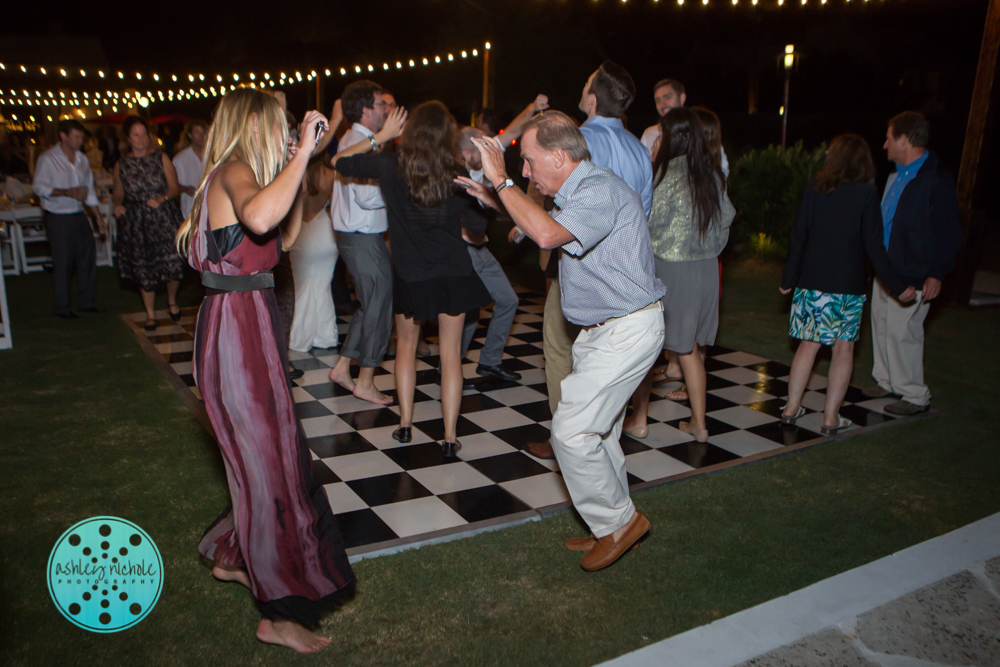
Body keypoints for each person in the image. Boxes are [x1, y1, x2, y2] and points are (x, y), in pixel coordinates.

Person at [176, 88, 353, 653]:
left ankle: (238, 559)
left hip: (246, 322)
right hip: (238, 330)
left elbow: (285, 237)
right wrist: (303, 151)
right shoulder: (232, 173)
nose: (285, 135)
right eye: (279, 127)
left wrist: (300, 163)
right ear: (254, 126)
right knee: (271, 467)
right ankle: (277, 617)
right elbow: (258, 216)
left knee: (264, 459)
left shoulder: (239, 177)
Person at [468, 111, 665, 571]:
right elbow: (540, 221)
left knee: (571, 432)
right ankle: (610, 527)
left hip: (627, 330)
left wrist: (500, 183)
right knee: (600, 433)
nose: (526, 172)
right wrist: (496, 197)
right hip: (603, 332)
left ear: (559, 156)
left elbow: (546, 233)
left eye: (531, 161)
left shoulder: (599, 190)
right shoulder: (579, 191)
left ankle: (622, 523)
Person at [333, 101, 491, 457]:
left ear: (411, 132)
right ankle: (450, 437)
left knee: (405, 348)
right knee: (451, 357)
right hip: (453, 273)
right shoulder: (456, 174)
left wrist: (380, 138)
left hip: (410, 275)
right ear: (448, 136)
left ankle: (405, 425)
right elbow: (479, 227)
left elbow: (339, 162)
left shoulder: (391, 166)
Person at [526, 62, 652, 460]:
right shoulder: (638, 147)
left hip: (580, 259)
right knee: (612, 353)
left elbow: (560, 204)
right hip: (627, 270)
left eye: (585, 84)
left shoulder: (577, 139)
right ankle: (602, 431)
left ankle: (568, 434)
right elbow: (642, 211)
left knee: (560, 344)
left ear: (593, 97)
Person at [780, 134, 917, 433]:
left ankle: (791, 407)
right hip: (847, 287)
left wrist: (788, 279)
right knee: (843, 350)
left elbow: (798, 236)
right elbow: (874, 247)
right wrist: (897, 285)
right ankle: (830, 418)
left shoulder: (814, 190)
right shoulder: (867, 194)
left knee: (808, 345)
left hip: (811, 283)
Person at [623, 108, 735, 443]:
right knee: (690, 350)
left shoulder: (662, 174)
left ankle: (639, 419)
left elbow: (648, 222)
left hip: (669, 267)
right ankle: (699, 424)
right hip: (704, 269)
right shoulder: (712, 174)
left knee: (649, 347)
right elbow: (727, 218)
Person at [862, 111, 963, 415]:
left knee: (904, 332)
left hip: (914, 272)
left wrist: (937, 273)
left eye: (889, 137)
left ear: (904, 140)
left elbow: (950, 231)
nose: (884, 145)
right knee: (881, 324)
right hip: (886, 270)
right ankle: (887, 379)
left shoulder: (936, 177)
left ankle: (915, 395)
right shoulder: (896, 174)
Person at [326, 81, 394, 406]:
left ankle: (342, 367)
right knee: (380, 306)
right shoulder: (361, 142)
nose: (386, 110)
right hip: (363, 238)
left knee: (369, 304)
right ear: (366, 111)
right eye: (381, 104)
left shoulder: (352, 139)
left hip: (354, 238)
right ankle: (365, 381)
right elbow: (368, 198)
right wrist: (400, 190)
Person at [112, 115, 185, 332]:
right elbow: (118, 193)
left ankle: (172, 299)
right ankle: (150, 314)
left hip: (162, 216)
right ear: (128, 138)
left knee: (174, 261)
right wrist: (118, 204)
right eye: (136, 134)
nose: (141, 138)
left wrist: (161, 198)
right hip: (137, 221)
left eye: (144, 134)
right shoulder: (121, 164)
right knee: (144, 266)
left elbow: (174, 187)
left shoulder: (161, 158)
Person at [31, 119, 109, 318]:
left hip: (79, 214)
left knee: (87, 255)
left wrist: (98, 217)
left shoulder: (82, 159)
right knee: (63, 261)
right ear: (63, 136)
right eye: (76, 136)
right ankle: (62, 306)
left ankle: (86, 302)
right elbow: (39, 187)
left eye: (82, 136)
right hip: (58, 216)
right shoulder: (48, 158)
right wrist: (65, 192)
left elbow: (89, 190)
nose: (80, 140)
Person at [289, 150, 341, 352]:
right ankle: (325, 335)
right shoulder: (331, 174)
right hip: (325, 233)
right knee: (322, 284)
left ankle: (297, 335)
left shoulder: (297, 170)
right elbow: (336, 206)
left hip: (300, 231)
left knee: (300, 283)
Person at [641, 79, 686, 158]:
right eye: (658, 101)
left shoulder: (696, 131)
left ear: (682, 98)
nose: (662, 105)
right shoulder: (649, 134)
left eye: (668, 97)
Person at [172, 119, 208, 218]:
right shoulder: (180, 159)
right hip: (190, 210)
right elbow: (173, 185)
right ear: (190, 135)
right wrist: (185, 188)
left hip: (211, 209)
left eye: (203, 132)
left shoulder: (211, 156)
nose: (201, 136)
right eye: (197, 132)